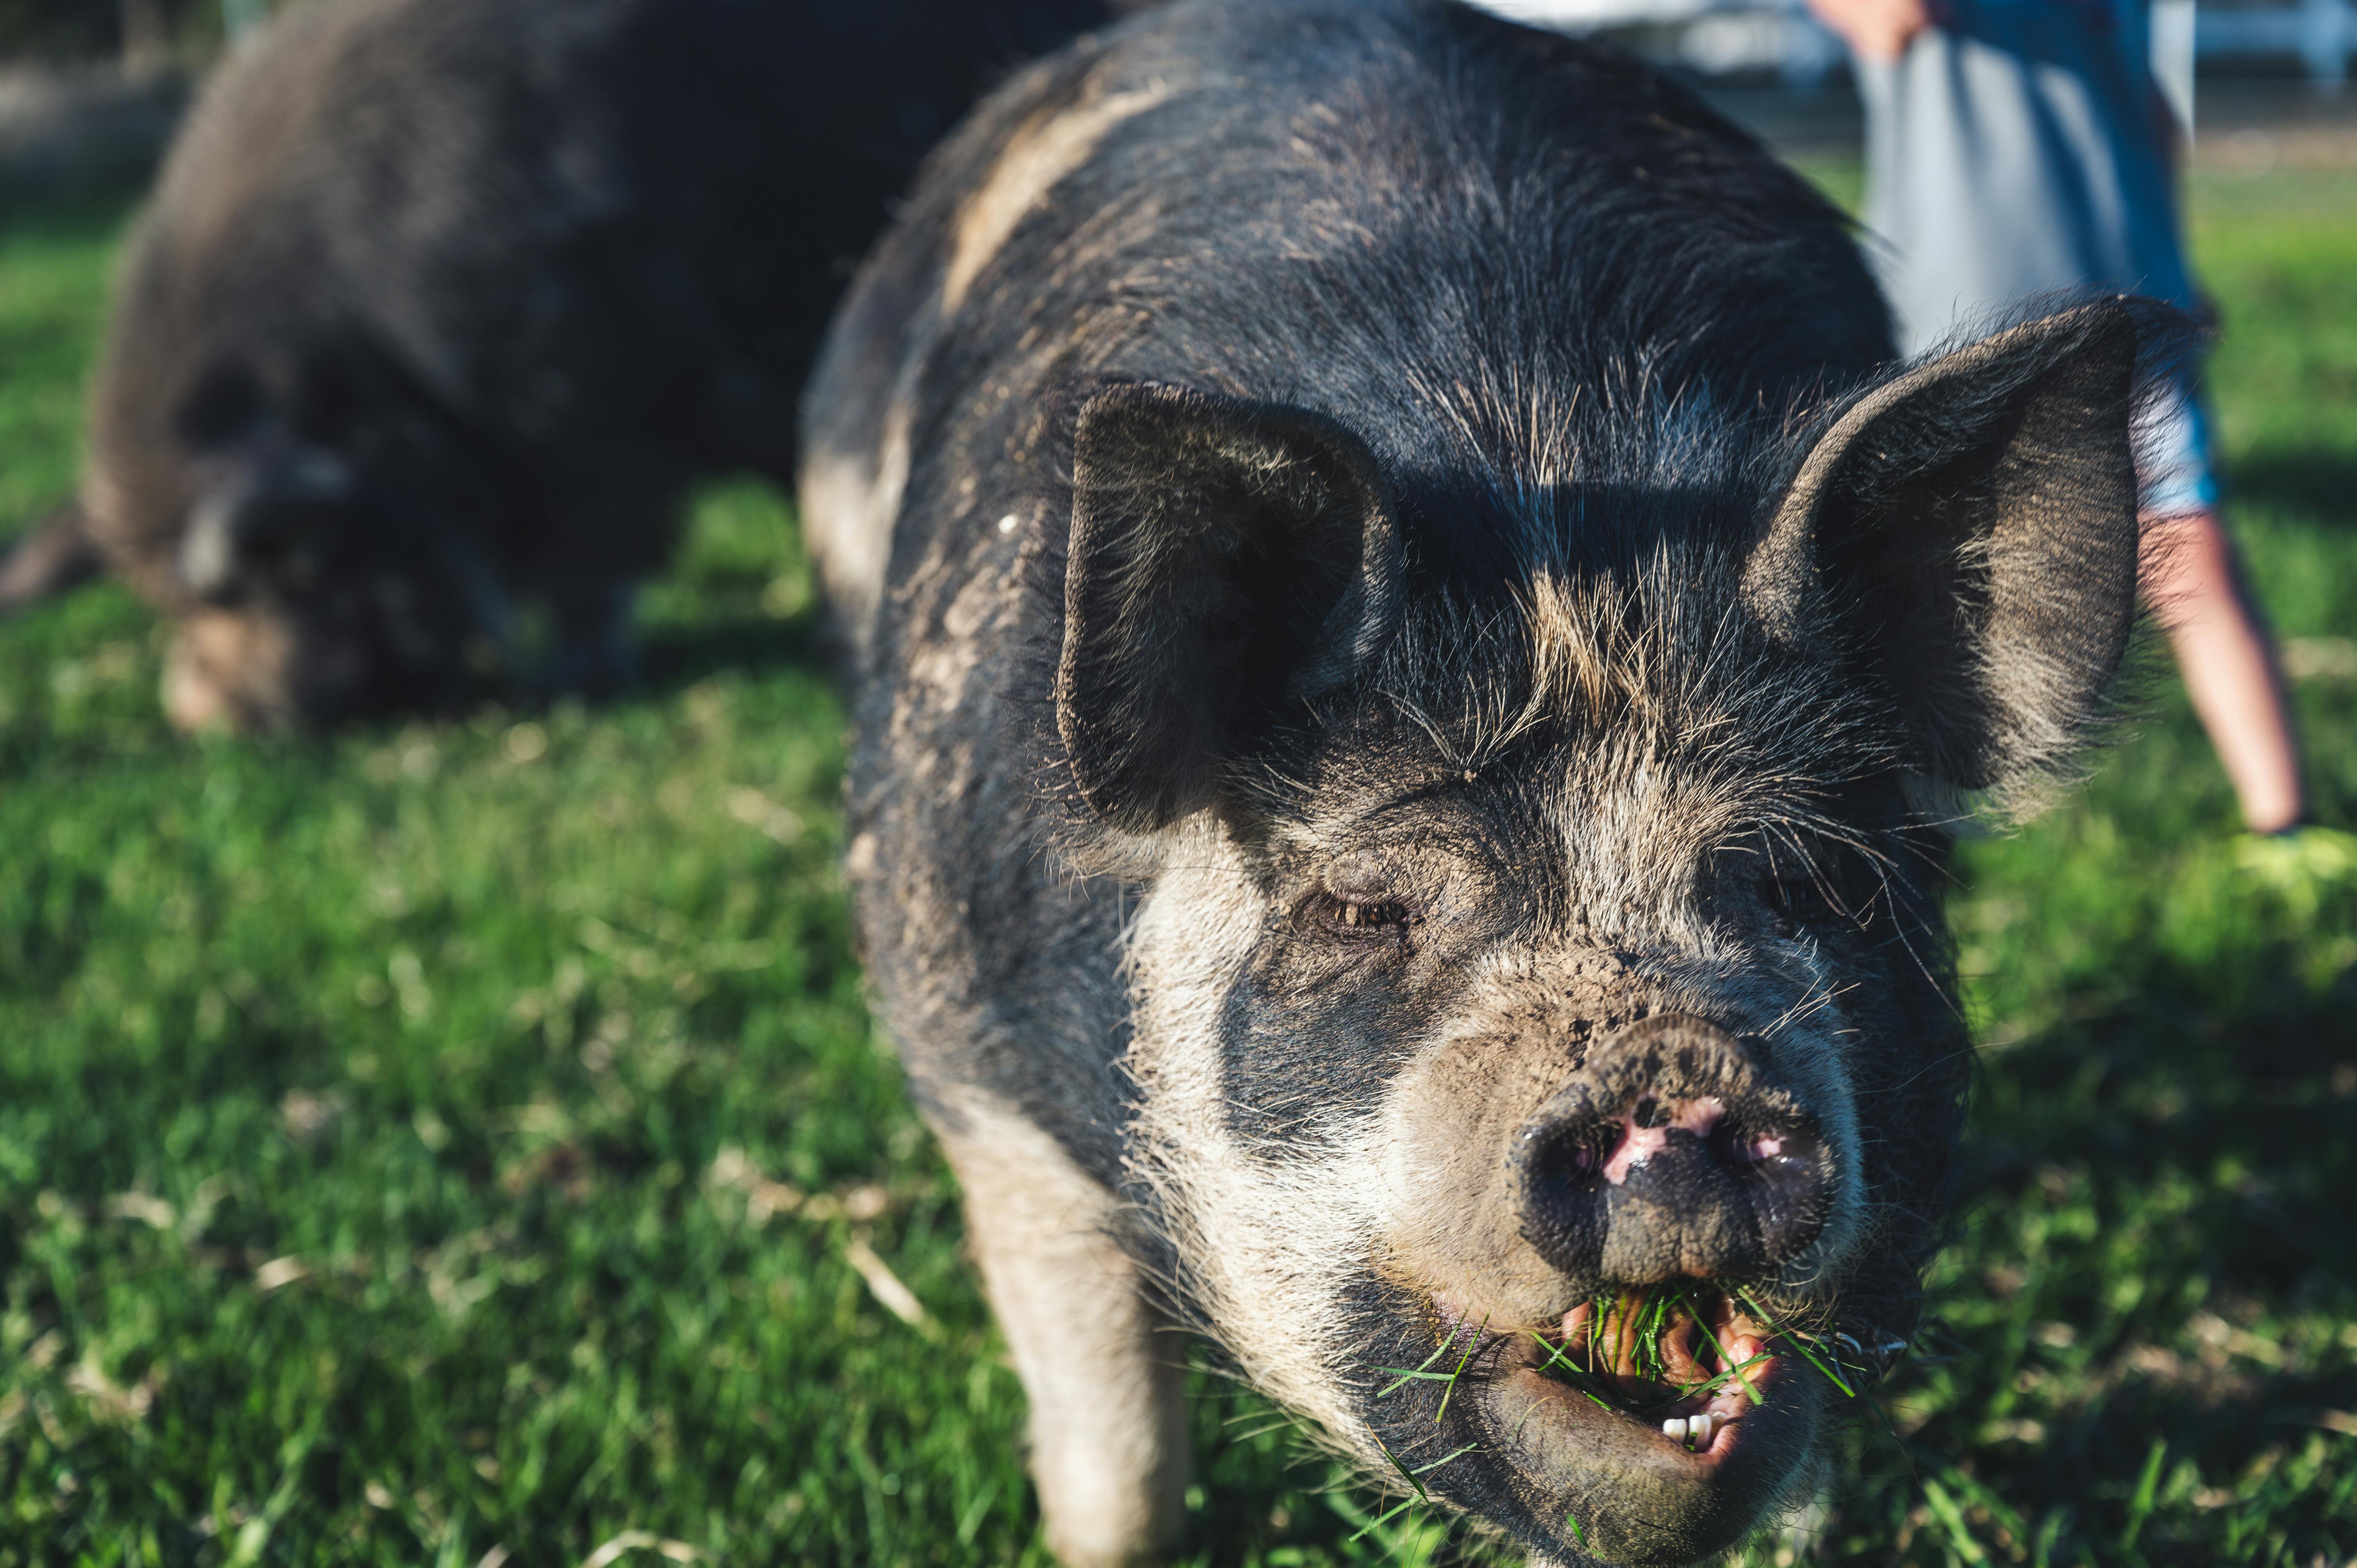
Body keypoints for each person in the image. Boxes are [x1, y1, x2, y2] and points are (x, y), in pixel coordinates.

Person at [1807, 0, 2310, 833]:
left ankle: (2285, 823)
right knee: (1915, 590)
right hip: (1946, 330)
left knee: (2196, 562)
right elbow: (1889, 18)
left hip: (2120, 318)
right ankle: (1904, 838)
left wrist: (2175, 264)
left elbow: (2144, 108)